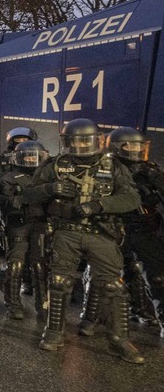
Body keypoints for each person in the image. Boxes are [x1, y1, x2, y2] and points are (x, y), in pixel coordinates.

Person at [23, 118, 142, 363]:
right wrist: (51, 189)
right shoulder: (54, 165)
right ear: (67, 142)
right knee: (59, 282)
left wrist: (100, 205)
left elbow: (131, 199)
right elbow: (28, 195)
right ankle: (54, 332)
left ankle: (119, 339)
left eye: (86, 141)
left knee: (113, 286)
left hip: (101, 233)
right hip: (66, 232)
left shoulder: (113, 166)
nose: (81, 146)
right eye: (75, 141)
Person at [106, 127, 162, 328]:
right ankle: (96, 317)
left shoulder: (149, 169)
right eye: (131, 145)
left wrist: (154, 182)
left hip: (144, 229)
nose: (137, 149)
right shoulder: (106, 169)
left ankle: (149, 314)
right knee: (107, 276)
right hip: (115, 228)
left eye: (140, 146)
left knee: (157, 275)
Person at [0, 139, 51, 319]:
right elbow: (5, 200)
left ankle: (43, 305)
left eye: (35, 157)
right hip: (18, 223)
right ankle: (13, 303)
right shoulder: (9, 177)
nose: (31, 161)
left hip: (40, 224)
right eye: (27, 157)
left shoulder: (47, 177)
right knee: (16, 264)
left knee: (40, 265)